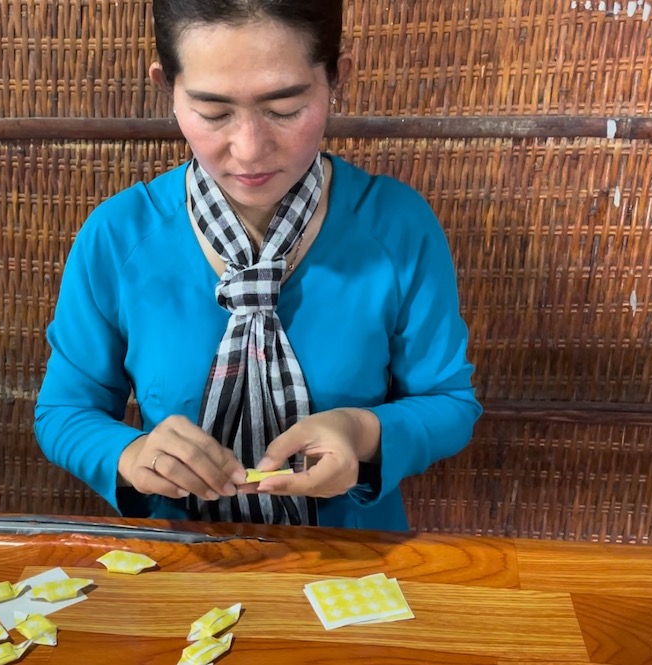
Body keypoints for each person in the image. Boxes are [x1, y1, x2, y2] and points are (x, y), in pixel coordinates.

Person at [34, 0, 481, 530]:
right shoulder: (119, 236)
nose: (249, 150)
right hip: (181, 560)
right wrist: (131, 455)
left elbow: (449, 402)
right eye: (213, 112)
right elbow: (64, 413)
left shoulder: (396, 227)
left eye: (285, 109)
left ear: (337, 76)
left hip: (353, 560)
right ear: (167, 86)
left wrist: (359, 432)